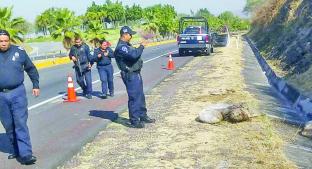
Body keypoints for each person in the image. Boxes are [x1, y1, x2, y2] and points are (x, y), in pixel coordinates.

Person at [0, 29, 39, 165]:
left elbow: (31, 68)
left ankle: (26, 154)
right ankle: (16, 150)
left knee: (20, 122)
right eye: (1, 41)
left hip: (17, 92)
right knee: (8, 125)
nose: (3, 43)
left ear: (9, 41)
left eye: (6, 41)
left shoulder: (19, 52)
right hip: (1, 96)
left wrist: (35, 85)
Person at [114, 26, 155, 128]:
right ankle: (134, 120)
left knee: (140, 96)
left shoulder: (126, 45)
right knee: (134, 97)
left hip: (136, 73)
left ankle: (142, 115)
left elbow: (133, 53)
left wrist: (139, 47)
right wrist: (141, 47)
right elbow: (133, 55)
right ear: (125, 35)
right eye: (130, 34)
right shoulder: (121, 47)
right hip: (130, 74)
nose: (131, 36)